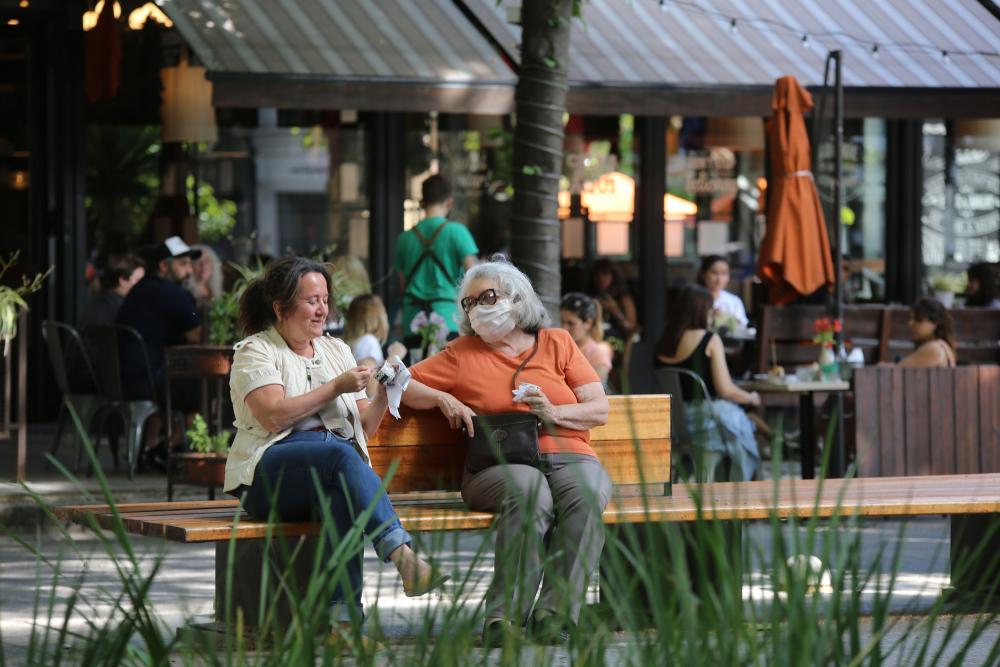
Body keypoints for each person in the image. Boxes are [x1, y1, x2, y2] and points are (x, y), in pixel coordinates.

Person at [225, 256, 448, 649]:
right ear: (280, 307)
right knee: (341, 457)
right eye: (311, 300)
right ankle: (402, 554)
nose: (322, 309)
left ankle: (342, 628)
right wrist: (336, 388)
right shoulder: (254, 351)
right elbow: (274, 417)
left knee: (339, 493)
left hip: (328, 472)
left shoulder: (337, 351)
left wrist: (384, 390)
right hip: (266, 474)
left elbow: (363, 427)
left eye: (325, 299)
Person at [402, 256, 611, 646]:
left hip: (570, 454)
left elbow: (599, 408)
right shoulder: (461, 352)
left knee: (585, 493)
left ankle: (555, 612)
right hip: (499, 463)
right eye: (469, 302)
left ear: (516, 298)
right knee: (530, 492)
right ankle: (504, 619)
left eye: (487, 297)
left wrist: (553, 411)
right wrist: (442, 399)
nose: (477, 308)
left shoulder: (558, 342)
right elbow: (399, 382)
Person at [655, 284, 760, 481]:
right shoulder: (709, 339)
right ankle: (741, 494)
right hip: (705, 421)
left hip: (675, 423)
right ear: (702, 310)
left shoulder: (664, 341)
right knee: (744, 428)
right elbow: (726, 389)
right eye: (711, 309)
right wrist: (752, 397)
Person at [116, 236, 203, 397]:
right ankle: (193, 422)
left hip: (122, 379)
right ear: (163, 266)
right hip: (151, 381)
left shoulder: (138, 289)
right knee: (207, 388)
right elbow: (197, 336)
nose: (190, 271)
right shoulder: (172, 292)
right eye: (183, 264)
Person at [394, 174, 478, 334]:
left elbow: (402, 285)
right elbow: (474, 276)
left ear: (422, 202)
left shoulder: (403, 239)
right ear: (449, 202)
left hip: (413, 322)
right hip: (448, 320)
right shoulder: (458, 233)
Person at [343, 294, 406, 396]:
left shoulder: (357, 342)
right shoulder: (368, 341)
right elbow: (372, 387)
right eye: (384, 312)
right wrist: (394, 357)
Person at [559, 292, 614, 386]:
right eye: (562, 321)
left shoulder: (598, 353)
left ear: (588, 323)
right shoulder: (560, 347)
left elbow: (595, 392)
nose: (564, 328)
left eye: (571, 323)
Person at [79, 252, 144, 330]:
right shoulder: (127, 311)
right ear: (123, 280)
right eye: (139, 280)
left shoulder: (93, 304)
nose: (143, 284)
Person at [895, 297, 956, 368]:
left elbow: (894, 372)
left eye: (918, 320)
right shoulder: (943, 345)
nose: (910, 324)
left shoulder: (934, 349)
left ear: (934, 323)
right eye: (911, 319)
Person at [587, 259, 637, 341]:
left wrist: (614, 310)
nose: (601, 279)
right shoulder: (590, 298)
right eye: (597, 275)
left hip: (616, 341)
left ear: (613, 277)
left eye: (605, 275)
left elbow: (630, 328)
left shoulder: (623, 298)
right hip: (594, 339)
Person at [697, 254, 749, 329]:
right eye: (714, 273)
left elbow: (743, 326)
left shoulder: (734, 301)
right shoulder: (695, 299)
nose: (719, 279)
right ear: (703, 274)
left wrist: (727, 318)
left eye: (724, 273)